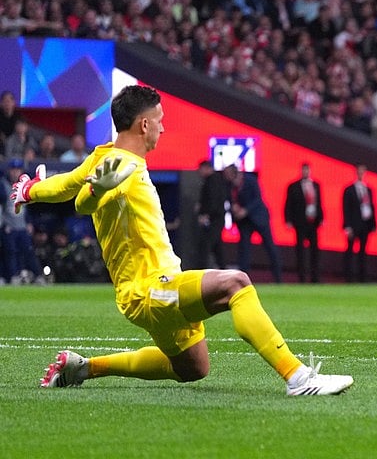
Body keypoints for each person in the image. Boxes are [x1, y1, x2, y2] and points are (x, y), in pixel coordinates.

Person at [12, 85, 350, 395]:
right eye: (160, 120)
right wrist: (95, 190)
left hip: (145, 290)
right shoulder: (120, 166)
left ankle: (83, 369)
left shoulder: (103, 156)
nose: (163, 127)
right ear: (144, 125)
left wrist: (29, 190)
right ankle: (299, 378)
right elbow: (84, 201)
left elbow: (67, 184)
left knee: (193, 367)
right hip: (149, 288)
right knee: (237, 283)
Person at [223, 163, 283, 283]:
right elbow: (228, 200)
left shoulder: (250, 180)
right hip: (244, 222)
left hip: (259, 218)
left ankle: (278, 278)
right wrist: (233, 209)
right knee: (244, 249)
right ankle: (243, 280)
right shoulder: (229, 186)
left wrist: (245, 210)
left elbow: (257, 199)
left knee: (270, 247)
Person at [2, 159, 43, 284]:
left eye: (18, 170)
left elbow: (27, 208)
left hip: (22, 225)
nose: (15, 173)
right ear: (9, 171)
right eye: (13, 170)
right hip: (9, 226)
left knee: (28, 250)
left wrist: (29, 222)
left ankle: (38, 275)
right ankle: (13, 276)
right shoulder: (3, 185)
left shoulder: (24, 185)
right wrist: (3, 225)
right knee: (10, 252)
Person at [284, 162, 323, 283]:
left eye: (307, 170)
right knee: (300, 251)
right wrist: (288, 220)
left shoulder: (316, 185)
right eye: (304, 170)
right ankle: (301, 278)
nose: (306, 172)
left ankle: (314, 278)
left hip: (313, 222)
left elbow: (319, 203)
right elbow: (288, 204)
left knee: (314, 251)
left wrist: (321, 218)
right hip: (300, 222)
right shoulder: (293, 186)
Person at [341, 164, 376, 282]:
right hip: (353, 224)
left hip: (365, 224)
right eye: (359, 171)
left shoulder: (368, 189)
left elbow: (371, 207)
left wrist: (373, 224)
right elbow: (345, 209)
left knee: (363, 252)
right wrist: (347, 226)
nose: (361, 174)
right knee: (350, 251)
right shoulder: (349, 190)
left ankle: (362, 278)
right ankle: (348, 277)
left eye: (363, 171)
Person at [194, 160, 227, 270]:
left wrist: (206, 214)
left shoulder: (212, 180)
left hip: (214, 220)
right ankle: (224, 271)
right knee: (218, 249)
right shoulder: (217, 180)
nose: (199, 172)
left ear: (206, 168)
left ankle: (201, 274)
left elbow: (213, 200)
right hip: (216, 219)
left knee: (204, 246)